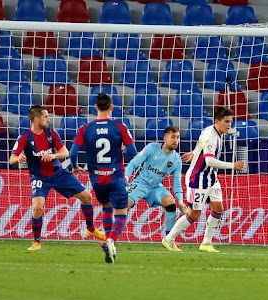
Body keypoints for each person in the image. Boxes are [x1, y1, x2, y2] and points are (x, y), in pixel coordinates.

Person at [10, 105, 105, 251]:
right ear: (37, 119)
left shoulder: (51, 133)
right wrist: (19, 158)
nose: (48, 119)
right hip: (39, 177)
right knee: (37, 207)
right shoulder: (24, 137)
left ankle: (91, 229)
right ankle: (36, 242)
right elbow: (11, 159)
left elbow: (65, 152)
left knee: (87, 197)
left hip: (58, 173)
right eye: (45, 117)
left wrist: (53, 155)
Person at [163, 107, 246, 253]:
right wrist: (233, 165)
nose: (229, 125)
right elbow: (209, 161)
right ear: (217, 121)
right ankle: (169, 239)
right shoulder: (211, 136)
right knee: (193, 214)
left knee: (218, 208)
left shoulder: (213, 131)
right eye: (226, 122)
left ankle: (206, 243)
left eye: (230, 122)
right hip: (198, 178)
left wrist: (194, 153)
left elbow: (201, 146)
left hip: (211, 178)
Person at [70, 93, 137, 263]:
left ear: (95, 107)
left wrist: (75, 166)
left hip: (97, 180)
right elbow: (133, 151)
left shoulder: (86, 129)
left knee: (106, 206)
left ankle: (108, 242)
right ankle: (111, 240)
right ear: (111, 107)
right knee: (121, 212)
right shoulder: (119, 127)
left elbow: (72, 153)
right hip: (115, 177)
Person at [124, 126, 187, 249]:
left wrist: (180, 201)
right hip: (140, 183)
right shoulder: (151, 148)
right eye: (173, 137)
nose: (176, 140)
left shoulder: (176, 160)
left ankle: (169, 239)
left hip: (156, 187)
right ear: (165, 138)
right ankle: (110, 237)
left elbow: (177, 183)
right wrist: (126, 178)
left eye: (178, 138)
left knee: (170, 202)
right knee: (124, 205)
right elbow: (133, 163)